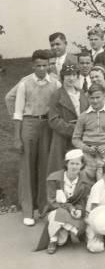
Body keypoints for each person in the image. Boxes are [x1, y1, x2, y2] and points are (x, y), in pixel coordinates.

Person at [11, 49, 61, 225]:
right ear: (33, 66)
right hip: (29, 124)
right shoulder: (25, 83)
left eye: (45, 65)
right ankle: (28, 210)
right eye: (38, 65)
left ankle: (43, 206)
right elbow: (17, 112)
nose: (42, 69)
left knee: (45, 166)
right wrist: (17, 137)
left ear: (49, 65)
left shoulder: (55, 83)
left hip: (47, 125)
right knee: (27, 166)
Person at [36, 148, 90, 254]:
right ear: (66, 164)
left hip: (73, 212)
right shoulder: (54, 178)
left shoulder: (84, 180)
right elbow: (52, 201)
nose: (74, 166)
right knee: (59, 215)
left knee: (64, 240)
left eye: (77, 164)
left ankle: (65, 229)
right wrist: (70, 208)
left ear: (82, 165)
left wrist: (79, 209)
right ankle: (53, 240)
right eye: (72, 163)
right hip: (55, 209)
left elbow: (82, 200)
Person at [72, 83, 105, 183]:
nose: (95, 101)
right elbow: (75, 139)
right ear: (88, 98)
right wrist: (86, 148)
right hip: (87, 153)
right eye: (92, 98)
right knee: (84, 181)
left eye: (98, 97)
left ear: (104, 96)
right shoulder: (83, 116)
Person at [47, 65, 87, 177]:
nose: (71, 78)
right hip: (63, 138)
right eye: (68, 75)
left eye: (74, 75)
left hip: (82, 138)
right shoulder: (57, 95)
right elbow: (53, 120)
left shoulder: (81, 93)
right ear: (62, 77)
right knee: (63, 167)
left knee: (81, 166)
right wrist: (74, 129)